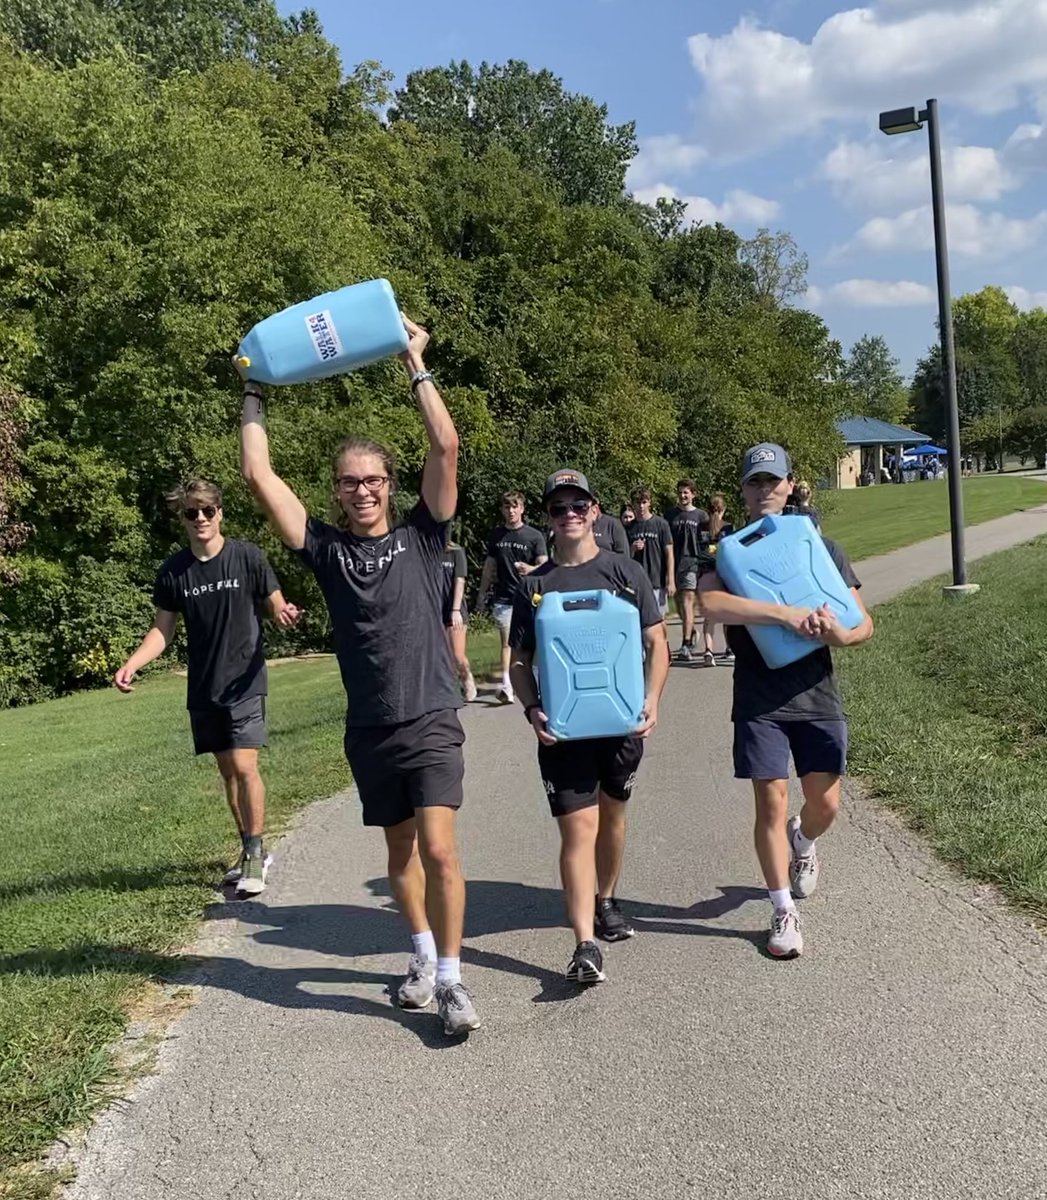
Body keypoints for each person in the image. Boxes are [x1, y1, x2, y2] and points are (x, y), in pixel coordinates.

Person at [239, 316, 481, 1036]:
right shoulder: (324, 549)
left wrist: (415, 363)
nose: (362, 491)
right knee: (400, 852)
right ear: (337, 492)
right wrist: (254, 387)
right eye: (350, 483)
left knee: (439, 849)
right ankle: (417, 953)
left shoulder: (424, 533)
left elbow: (447, 444)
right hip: (370, 727)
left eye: (373, 479)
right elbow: (258, 475)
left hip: (432, 714)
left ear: (389, 484)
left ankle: (452, 980)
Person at [697, 443, 874, 959]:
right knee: (770, 800)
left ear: (791, 485)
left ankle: (805, 840)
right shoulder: (725, 553)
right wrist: (782, 616)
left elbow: (864, 622)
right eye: (754, 482)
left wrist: (839, 636)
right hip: (759, 698)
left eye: (773, 481)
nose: (764, 490)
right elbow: (709, 602)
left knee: (825, 806)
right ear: (744, 492)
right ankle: (781, 910)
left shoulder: (823, 546)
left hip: (816, 693)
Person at [508, 469, 669, 985]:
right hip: (564, 734)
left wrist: (652, 699)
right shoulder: (534, 586)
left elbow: (657, 643)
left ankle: (605, 898)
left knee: (613, 820)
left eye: (579, 505)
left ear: (595, 511)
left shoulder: (626, 574)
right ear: (548, 518)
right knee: (579, 831)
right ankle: (584, 943)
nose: (570, 514)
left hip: (620, 727)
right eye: (559, 508)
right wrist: (532, 710)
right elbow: (517, 663)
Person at [114, 478, 301, 898]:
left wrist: (285, 613)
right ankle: (250, 847)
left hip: (245, 680)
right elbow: (163, 631)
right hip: (204, 687)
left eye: (207, 511)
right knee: (228, 773)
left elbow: (275, 604)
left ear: (220, 514)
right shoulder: (174, 572)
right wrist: (133, 662)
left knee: (245, 765)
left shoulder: (247, 557)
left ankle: (254, 855)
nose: (200, 518)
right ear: (182, 519)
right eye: (191, 512)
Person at [477, 492, 548, 704]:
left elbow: (546, 566)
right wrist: (482, 593)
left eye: (514, 507)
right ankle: (506, 686)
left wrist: (531, 569)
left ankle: (535, 682)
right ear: (502, 510)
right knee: (508, 642)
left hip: (531, 597)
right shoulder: (497, 536)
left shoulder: (534, 536)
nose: (511, 511)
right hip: (504, 598)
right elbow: (489, 566)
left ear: (522, 509)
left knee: (534, 644)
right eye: (507, 507)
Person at [664, 478, 709, 661]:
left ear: (693, 494)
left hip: (692, 562)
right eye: (680, 492)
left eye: (686, 492)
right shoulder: (670, 515)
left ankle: (685, 644)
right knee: (679, 604)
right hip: (674, 562)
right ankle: (690, 632)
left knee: (687, 601)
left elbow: (705, 542)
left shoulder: (701, 516)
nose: (683, 495)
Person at [698, 492, 734, 667]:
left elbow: (700, 551)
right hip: (724, 573)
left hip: (706, 572)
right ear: (723, 509)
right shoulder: (727, 527)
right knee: (727, 613)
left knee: (709, 614)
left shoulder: (701, 527)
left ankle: (708, 651)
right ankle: (729, 648)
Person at [625, 487, 674, 618]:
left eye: (644, 502)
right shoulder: (629, 527)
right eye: (637, 502)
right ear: (633, 504)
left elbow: (669, 552)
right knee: (639, 619)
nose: (641, 506)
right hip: (636, 582)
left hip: (657, 580)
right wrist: (632, 548)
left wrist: (671, 580)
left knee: (659, 619)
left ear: (649, 502)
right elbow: (623, 557)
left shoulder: (661, 524)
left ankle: (663, 640)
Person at [441, 534, 477, 703]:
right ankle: (447, 689)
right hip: (433, 609)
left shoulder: (456, 551)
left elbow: (460, 581)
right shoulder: (427, 552)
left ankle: (467, 678)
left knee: (457, 655)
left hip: (454, 608)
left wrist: (455, 610)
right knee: (439, 655)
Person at [549, 496, 629, 560]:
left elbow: (623, 555)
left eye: (581, 506)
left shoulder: (613, 524)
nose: (572, 513)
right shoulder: (576, 524)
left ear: (595, 508)